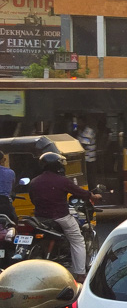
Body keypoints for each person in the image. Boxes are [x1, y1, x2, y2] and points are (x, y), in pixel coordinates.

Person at [29, 153, 102, 282]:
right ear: (57, 165)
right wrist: (94, 196)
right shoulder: (61, 180)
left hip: (40, 218)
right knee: (77, 240)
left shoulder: (34, 181)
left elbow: (33, 200)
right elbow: (80, 192)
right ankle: (80, 274)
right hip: (60, 217)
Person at [78, 121, 98, 190]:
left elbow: (83, 145)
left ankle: (93, 192)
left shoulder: (88, 131)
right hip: (83, 159)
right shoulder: (80, 131)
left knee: (90, 177)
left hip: (89, 159)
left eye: (79, 122)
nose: (78, 123)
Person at [0, 150, 16, 223]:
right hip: (5, 205)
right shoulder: (10, 172)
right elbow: (11, 186)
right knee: (14, 223)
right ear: (3, 159)